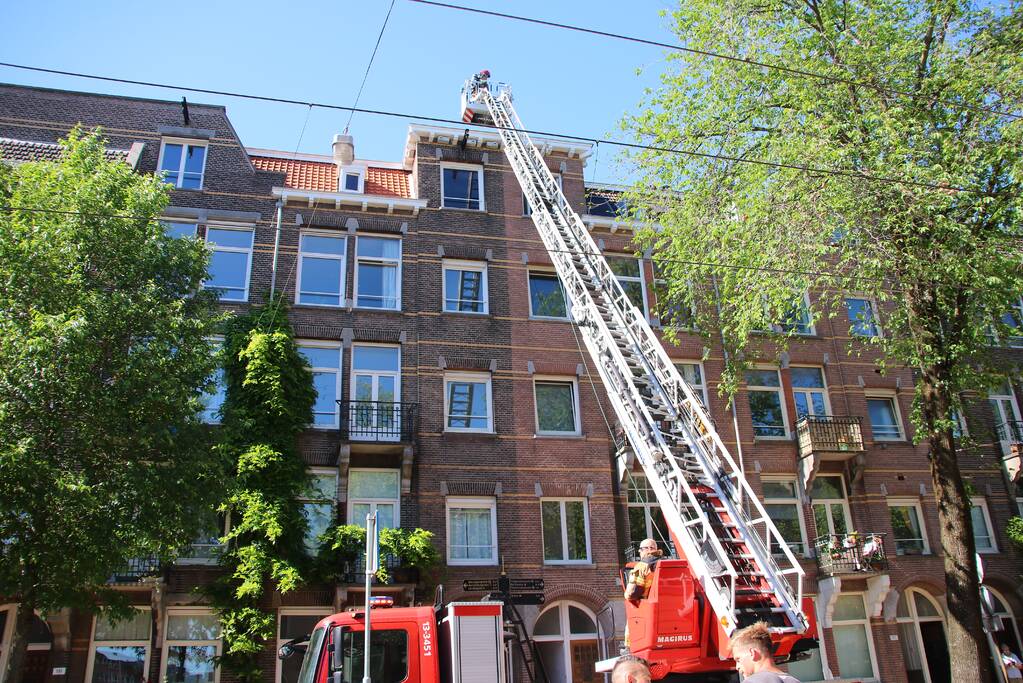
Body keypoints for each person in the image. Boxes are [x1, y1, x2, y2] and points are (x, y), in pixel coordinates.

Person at [730, 621, 800, 682]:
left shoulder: (753, 681)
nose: (737, 667)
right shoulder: (794, 681)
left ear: (752, 653)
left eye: (738, 659)